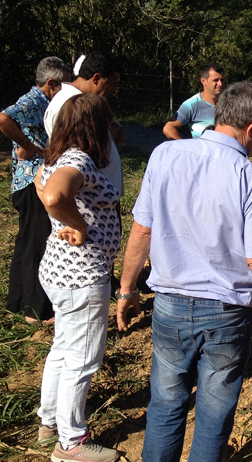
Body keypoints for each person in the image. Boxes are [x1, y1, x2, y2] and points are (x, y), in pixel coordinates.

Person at [115, 81, 252, 462]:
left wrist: (126, 288)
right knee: (214, 416)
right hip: (226, 316)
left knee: (165, 407)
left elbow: (142, 230)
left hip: (168, 306)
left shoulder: (165, 155)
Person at [34, 94, 122, 462]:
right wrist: (79, 225)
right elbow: (53, 195)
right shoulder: (80, 160)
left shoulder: (57, 157)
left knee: (64, 347)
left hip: (59, 271)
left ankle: (49, 421)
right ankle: (71, 443)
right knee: (82, 358)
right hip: (81, 276)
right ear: (93, 127)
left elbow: (41, 185)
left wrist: (66, 220)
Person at [0, 57, 71, 324]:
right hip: (32, 182)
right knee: (36, 243)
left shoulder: (44, 102)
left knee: (26, 241)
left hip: (29, 182)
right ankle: (35, 310)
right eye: (62, 85)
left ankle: (16, 302)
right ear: (50, 83)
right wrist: (27, 145)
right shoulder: (34, 101)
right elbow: (4, 118)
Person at [44, 51, 124, 197]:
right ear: (96, 78)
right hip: (87, 202)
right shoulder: (67, 105)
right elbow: (70, 157)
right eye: (111, 84)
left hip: (101, 197)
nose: (114, 90)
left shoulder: (88, 103)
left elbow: (117, 133)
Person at [163, 63, 224, 139]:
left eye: (222, 80)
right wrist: (186, 148)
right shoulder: (192, 104)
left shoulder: (227, 103)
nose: (220, 84)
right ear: (203, 81)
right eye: (216, 80)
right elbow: (168, 128)